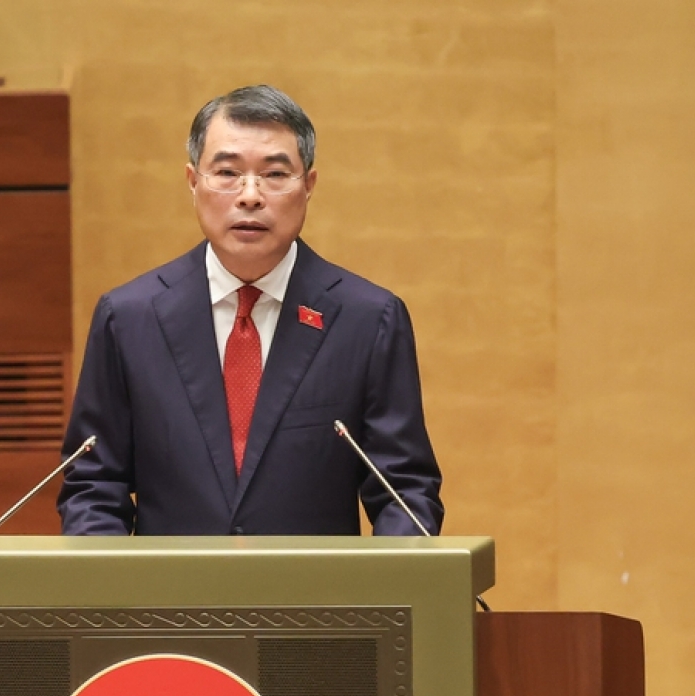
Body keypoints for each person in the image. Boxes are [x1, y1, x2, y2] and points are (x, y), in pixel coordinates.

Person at [58, 84, 442, 536]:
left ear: (309, 186)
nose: (250, 196)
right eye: (227, 172)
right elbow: (93, 486)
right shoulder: (129, 319)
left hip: (317, 603)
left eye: (275, 175)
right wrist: (117, 596)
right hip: (167, 602)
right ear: (192, 182)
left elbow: (404, 491)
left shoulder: (368, 319)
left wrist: (389, 592)